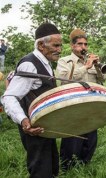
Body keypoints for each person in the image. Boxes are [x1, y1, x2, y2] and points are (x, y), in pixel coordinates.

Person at [1, 23, 62, 178]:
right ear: (41, 45)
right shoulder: (29, 64)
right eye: (56, 45)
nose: (59, 50)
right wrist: (24, 121)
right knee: (41, 169)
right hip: (33, 126)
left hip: (45, 125)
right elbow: (9, 97)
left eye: (60, 46)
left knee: (52, 166)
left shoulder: (45, 62)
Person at [57, 28, 100, 171]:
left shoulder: (91, 61)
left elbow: (102, 79)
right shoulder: (64, 61)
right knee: (72, 139)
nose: (84, 47)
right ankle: (67, 168)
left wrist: (98, 67)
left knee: (91, 138)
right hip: (73, 105)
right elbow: (64, 80)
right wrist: (85, 67)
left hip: (91, 105)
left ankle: (84, 166)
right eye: (80, 44)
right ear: (72, 46)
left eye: (86, 44)